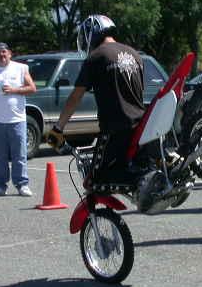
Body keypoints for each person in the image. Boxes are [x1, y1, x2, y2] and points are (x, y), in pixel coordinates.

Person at [47, 14, 145, 184]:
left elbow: (76, 96)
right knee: (132, 171)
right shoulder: (135, 54)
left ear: (91, 34)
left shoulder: (97, 57)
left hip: (114, 129)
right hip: (141, 126)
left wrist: (58, 128)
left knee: (95, 179)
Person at [0, 42, 36, 197]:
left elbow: (32, 88)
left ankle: (22, 185)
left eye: (4, 52)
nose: (2, 55)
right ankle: (0, 186)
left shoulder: (21, 68)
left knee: (19, 155)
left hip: (17, 120)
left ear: (10, 54)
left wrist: (14, 90)